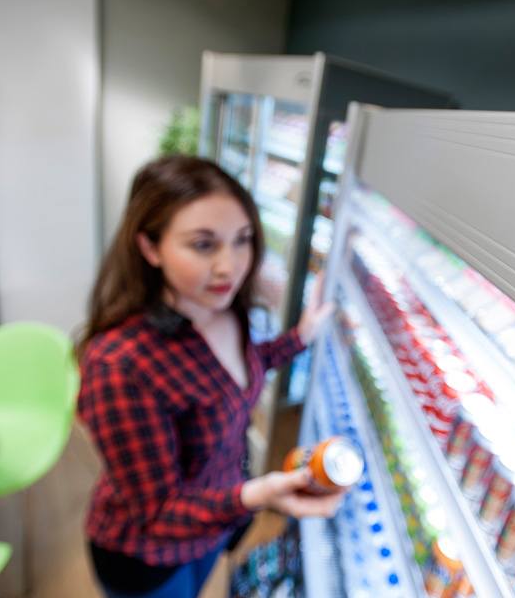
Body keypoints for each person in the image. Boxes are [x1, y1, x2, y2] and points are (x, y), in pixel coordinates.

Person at [76, 155, 341, 598]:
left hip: (215, 522)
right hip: (148, 554)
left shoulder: (226, 311)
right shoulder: (121, 366)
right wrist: (260, 496)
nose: (230, 266)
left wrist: (301, 336)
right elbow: (156, 513)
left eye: (243, 240)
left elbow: (240, 371)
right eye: (203, 245)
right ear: (150, 248)